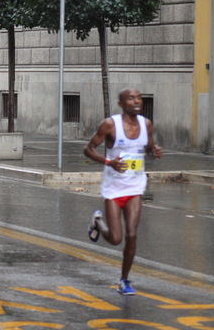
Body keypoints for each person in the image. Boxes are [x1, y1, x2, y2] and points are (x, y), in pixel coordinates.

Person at [83, 88, 162, 295]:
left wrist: (155, 150)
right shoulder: (110, 125)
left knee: (132, 234)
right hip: (114, 189)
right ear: (121, 103)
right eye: (131, 98)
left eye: (139, 98)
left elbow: (148, 147)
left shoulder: (146, 124)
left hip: (135, 187)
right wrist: (109, 162)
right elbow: (88, 149)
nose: (136, 101)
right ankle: (98, 223)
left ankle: (125, 280)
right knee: (116, 238)